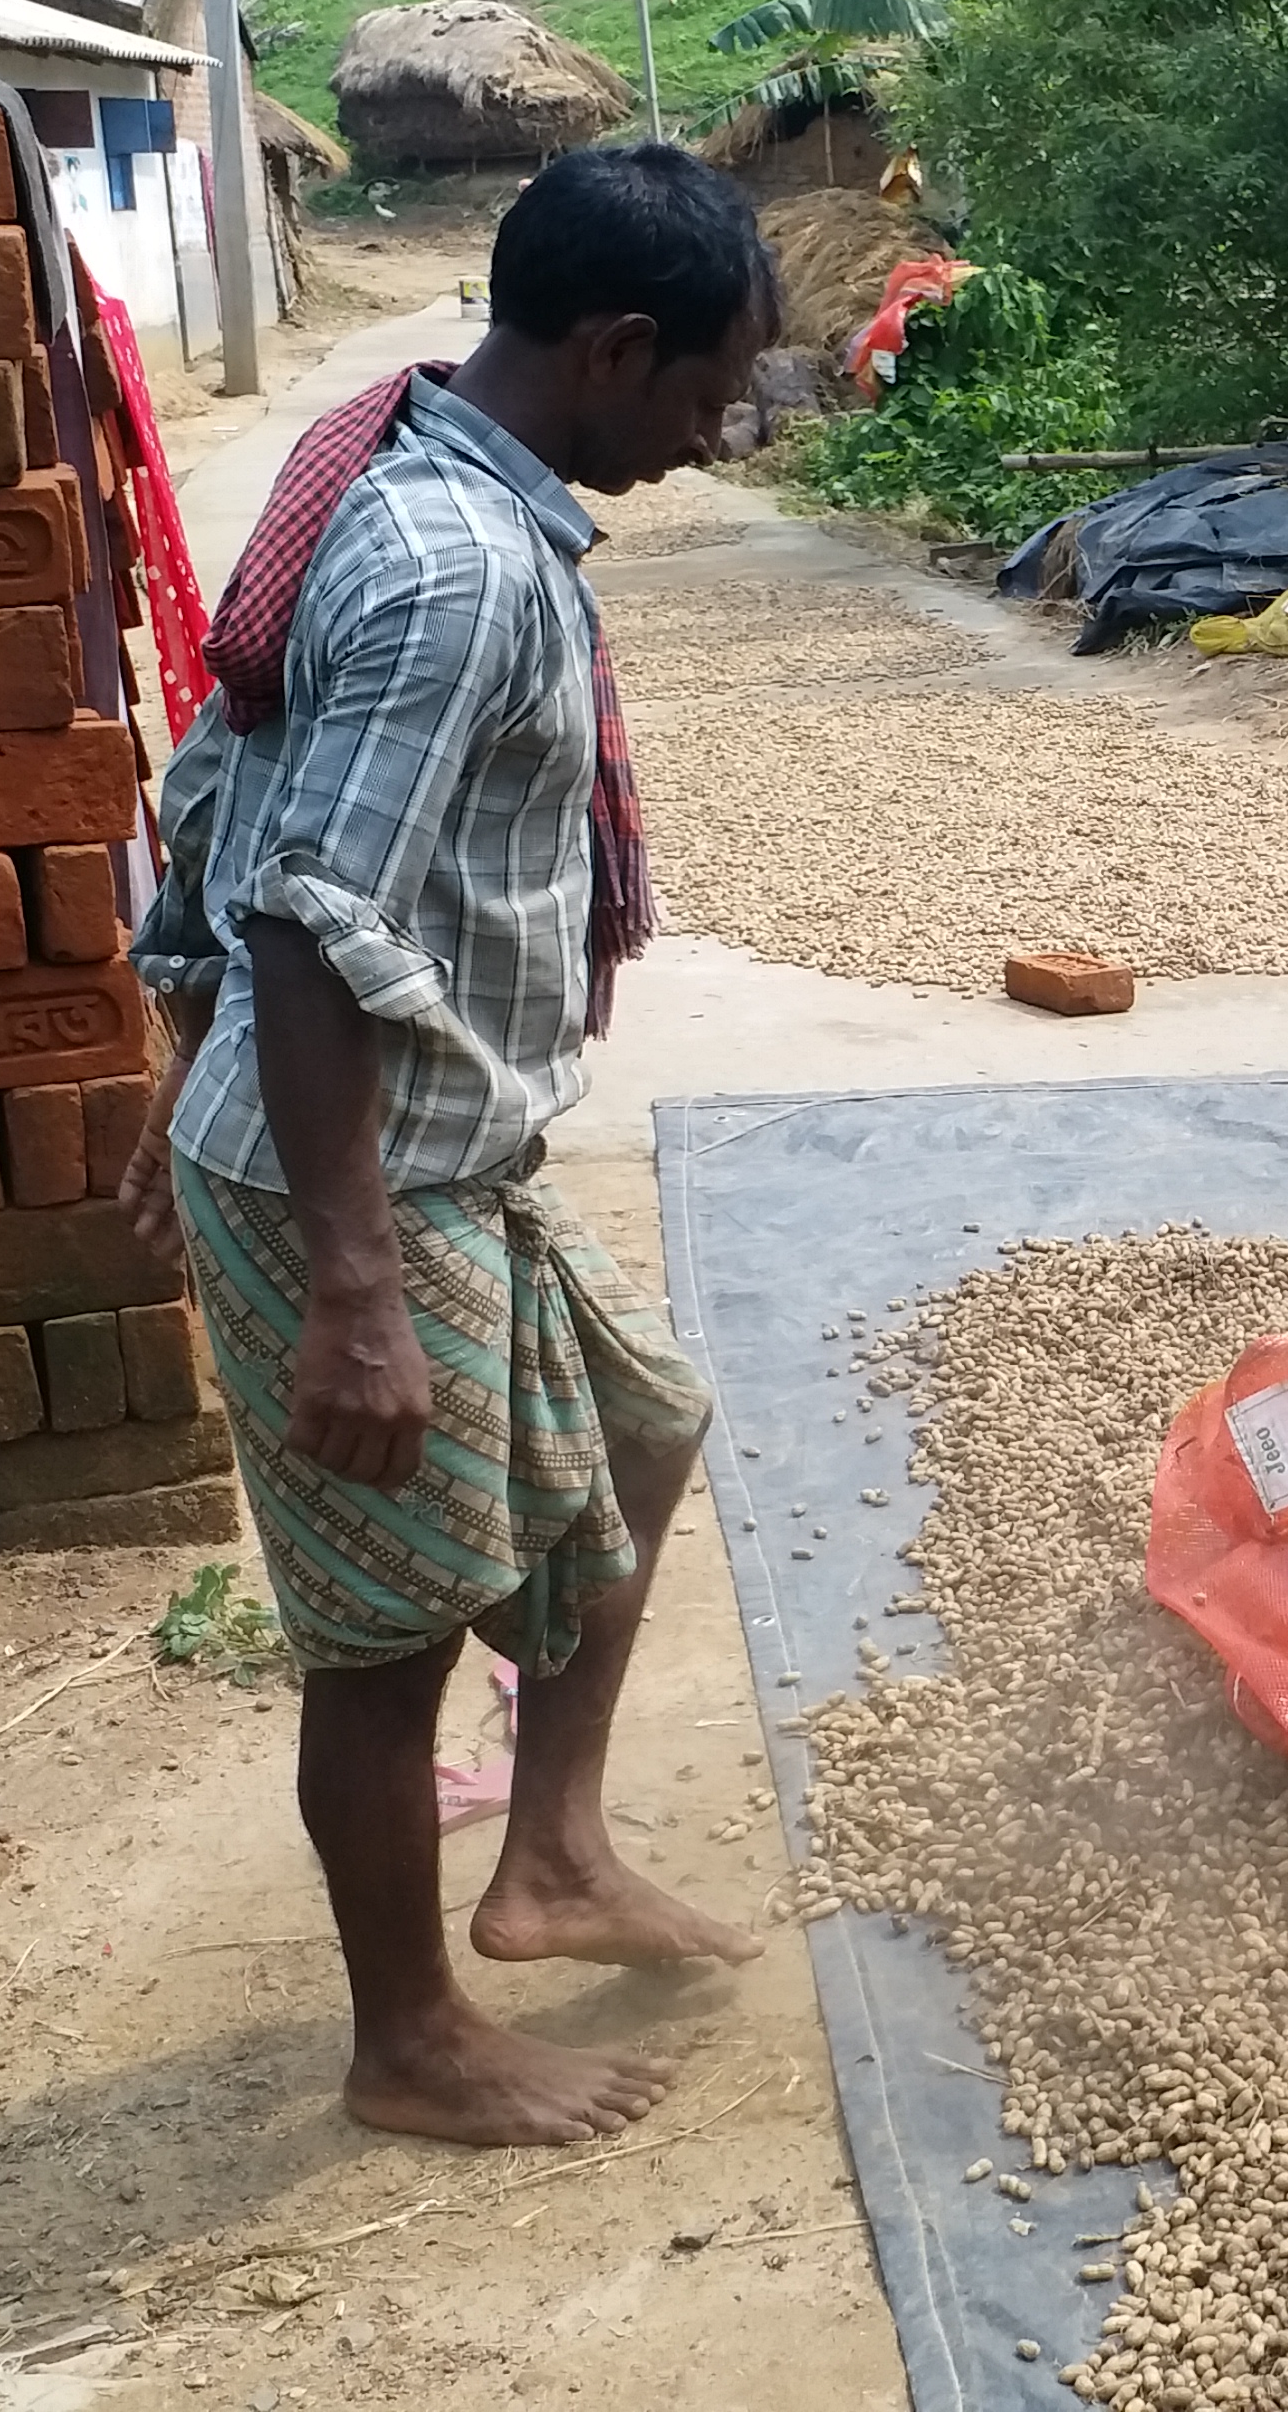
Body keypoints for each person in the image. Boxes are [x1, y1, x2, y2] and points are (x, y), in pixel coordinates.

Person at [119, 143, 783, 2148]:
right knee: (389, 1633)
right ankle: (405, 2040)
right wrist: (348, 1291)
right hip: (365, 1176)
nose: (714, 435)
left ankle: (551, 1859)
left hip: (441, 1144)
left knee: (645, 1429)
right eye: (704, 393)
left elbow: (226, 757)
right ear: (610, 349)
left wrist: (173, 1032)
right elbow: (317, 922)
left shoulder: (402, 458)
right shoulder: (452, 567)